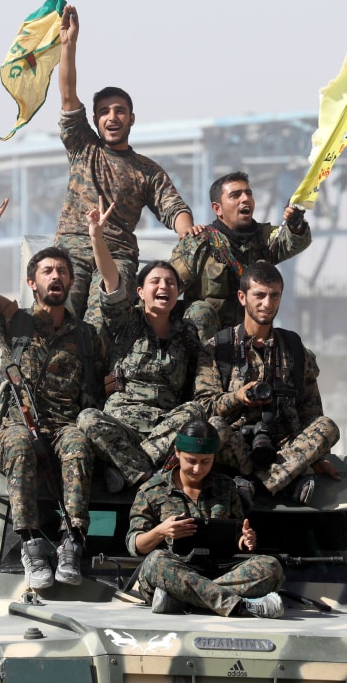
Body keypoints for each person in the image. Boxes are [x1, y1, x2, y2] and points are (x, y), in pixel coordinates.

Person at [54, 4, 202, 334]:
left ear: (131, 118)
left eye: (120, 111)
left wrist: (187, 229)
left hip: (116, 256)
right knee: (56, 321)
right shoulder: (83, 147)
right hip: (72, 253)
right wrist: (69, 45)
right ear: (95, 120)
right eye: (104, 111)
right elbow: (67, 96)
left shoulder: (146, 170)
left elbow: (173, 206)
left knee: (100, 328)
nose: (112, 117)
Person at [0, 193, 107, 590]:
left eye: (62, 271)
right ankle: (31, 544)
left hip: (62, 428)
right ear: (31, 281)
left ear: (71, 281)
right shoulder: (13, 321)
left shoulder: (87, 336)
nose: (55, 277)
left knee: (77, 443)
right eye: (47, 271)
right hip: (13, 428)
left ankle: (72, 542)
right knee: (20, 443)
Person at [77, 198, 207, 492]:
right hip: (120, 426)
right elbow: (111, 281)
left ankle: (131, 469)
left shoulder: (186, 332)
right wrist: (97, 237)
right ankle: (149, 478)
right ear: (140, 291)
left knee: (196, 412)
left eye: (171, 283)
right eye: (156, 282)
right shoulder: (127, 321)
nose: (164, 287)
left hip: (164, 428)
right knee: (87, 419)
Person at [194, 261, 340, 504]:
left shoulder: (293, 347)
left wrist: (319, 456)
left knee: (327, 427)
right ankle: (286, 478)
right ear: (242, 297)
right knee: (213, 427)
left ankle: (252, 482)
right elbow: (203, 407)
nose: (267, 304)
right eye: (259, 295)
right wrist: (237, 397)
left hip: (283, 444)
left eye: (274, 296)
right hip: (235, 443)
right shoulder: (218, 347)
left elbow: (310, 407)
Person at [126, 419, 285, 618]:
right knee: (155, 561)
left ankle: (180, 598)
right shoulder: (152, 491)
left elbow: (235, 535)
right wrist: (161, 531)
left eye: (205, 462)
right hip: (176, 570)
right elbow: (135, 545)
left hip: (218, 570)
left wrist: (244, 540)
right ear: (177, 452)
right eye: (191, 461)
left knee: (270, 567)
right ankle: (240, 606)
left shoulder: (226, 487)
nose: (197, 469)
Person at [170, 171, 312, 343]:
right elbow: (167, 288)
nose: (245, 199)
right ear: (217, 208)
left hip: (248, 340)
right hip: (206, 348)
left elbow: (292, 242)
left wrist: (295, 224)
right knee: (201, 310)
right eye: (235, 195)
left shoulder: (264, 237)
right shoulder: (199, 243)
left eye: (248, 193)